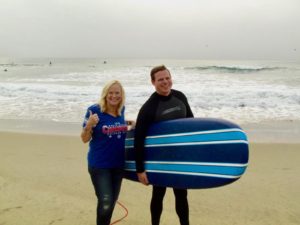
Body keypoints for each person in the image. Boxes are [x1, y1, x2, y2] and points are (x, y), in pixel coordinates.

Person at [134, 65, 194, 225]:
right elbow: (138, 139)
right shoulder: (149, 107)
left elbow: (192, 125)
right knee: (158, 194)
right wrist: (140, 169)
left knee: (182, 195)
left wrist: (193, 156)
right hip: (160, 161)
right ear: (153, 82)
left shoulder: (180, 97)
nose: (165, 82)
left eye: (167, 78)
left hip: (180, 159)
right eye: (161, 79)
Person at [81, 80, 131, 225]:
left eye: (117, 93)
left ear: (121, 95)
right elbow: (84, 139)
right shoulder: (94, 111)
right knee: (106, 201)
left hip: (118, 165)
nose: (114, 96)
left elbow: (117, 125)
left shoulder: (121, 110)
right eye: (111, 92)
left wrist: (130, 124)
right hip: (100, 165)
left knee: (112, 202)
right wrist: (89, 125)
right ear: (105, 94)